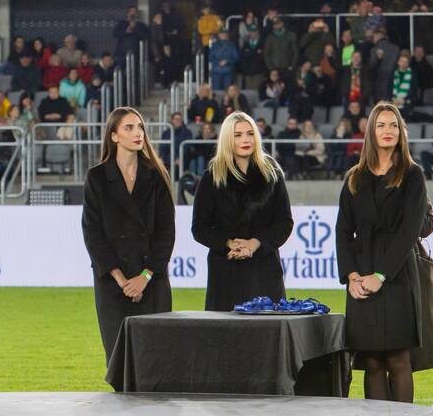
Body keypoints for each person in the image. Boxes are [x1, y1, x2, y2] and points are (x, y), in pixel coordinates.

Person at [335, 101, 429, 403]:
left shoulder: (412, 175)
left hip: (398, 274)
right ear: (370, 133)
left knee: (398, 360)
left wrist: (381, 275)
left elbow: (409, 232)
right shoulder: (354, 178)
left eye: (393, 125)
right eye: (381, 125)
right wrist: (351, 275)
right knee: (372, 363)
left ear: (401, 132)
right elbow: (342, 231)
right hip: (361, 276)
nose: (388, 131)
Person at [81, 107, 175, 363]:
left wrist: (144, 277)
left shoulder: (157, 176)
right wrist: (122, 280)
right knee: (119, 362)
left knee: (156, 360)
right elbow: (93, 234)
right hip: (113, 285)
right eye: (129, 128)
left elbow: (166, 234)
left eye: (140, 127)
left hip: (152, 283)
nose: (138, 133)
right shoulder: (97, 178)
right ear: (114, 136)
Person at [191, 112, 294, 312]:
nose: (245, 139)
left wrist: (255, 243)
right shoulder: (212, 177)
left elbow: (284, 222)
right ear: (227, 139)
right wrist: (230, 243)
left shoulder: (272, 174)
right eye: (237, 135)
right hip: (225, 274)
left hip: (264, 271)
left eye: (249, 133)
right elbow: (200, 228)